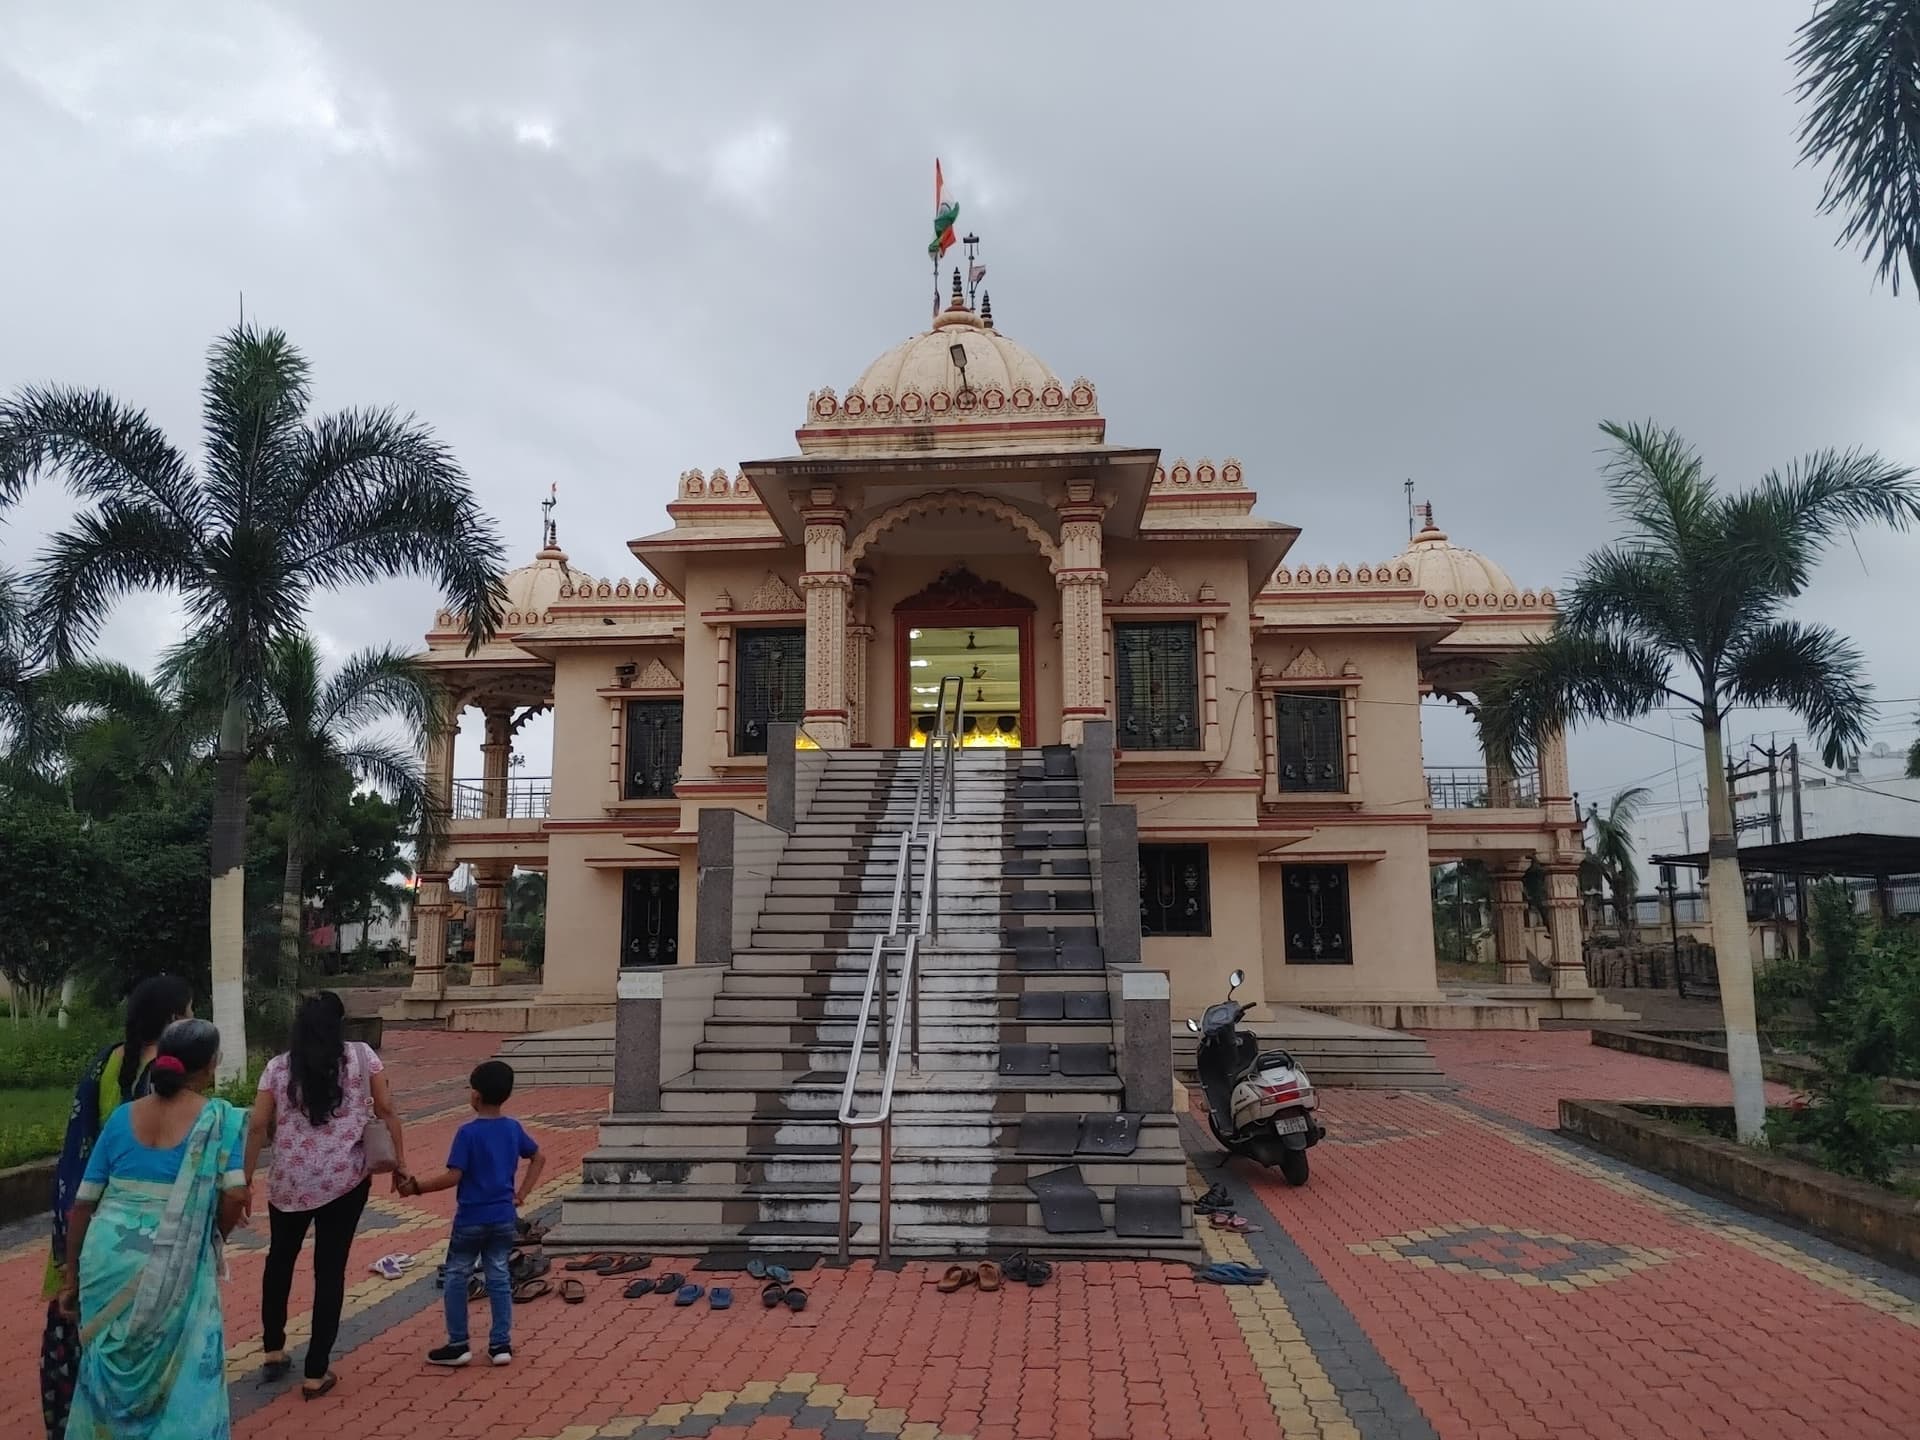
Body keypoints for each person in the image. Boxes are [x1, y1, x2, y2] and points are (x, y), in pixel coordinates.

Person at [57, 1018, 248, 1439]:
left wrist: (70, 1275)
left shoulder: (124, 1116)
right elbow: (235, 1195)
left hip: (108, 1256)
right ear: (211, 1065)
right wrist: (208, 1232)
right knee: (184, 1374)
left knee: (106, 1375)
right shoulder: (219, 1119)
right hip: (174, 1255)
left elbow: (84, 1202)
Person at [39, 974, 193, 1440]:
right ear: (171, 1020)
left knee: (75, 1328)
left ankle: (70, 1421)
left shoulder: (106, 1062)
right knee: (132, 1342)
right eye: (188, 1013)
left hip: (86, 1223)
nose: (192, 1021)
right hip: (138, 1233)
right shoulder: (165, 1083)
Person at [243, 991, 407, 1399]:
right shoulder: (361, 1056)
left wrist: (243, 1181)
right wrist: (400, 1163)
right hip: (344, 1182)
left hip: (288, 1184)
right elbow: (386, 1108)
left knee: (280, 1261)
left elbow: (257, 1126)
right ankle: (316, 1372)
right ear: (339, 1023)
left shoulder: (277, 1068)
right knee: (329, 1271)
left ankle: (274, 1349)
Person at [399, 1059, 544, 1367]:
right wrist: (521, 1194)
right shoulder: (512, 1128)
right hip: (504, 1217)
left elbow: (454, 1176)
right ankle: (500, 1345)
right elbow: (538, 1157)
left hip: (471, 1219)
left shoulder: (467, 1133)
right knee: (499, 1275)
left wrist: (417, 1188)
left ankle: (458, 1343)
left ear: (476, 1096)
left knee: (456, 1274)